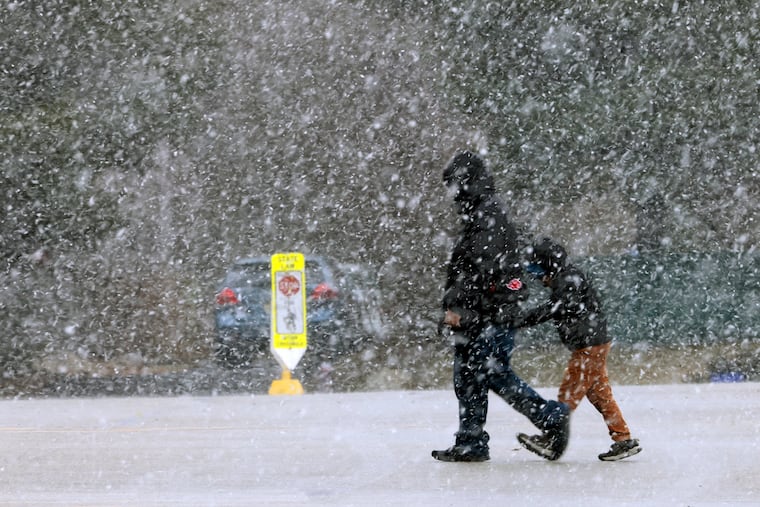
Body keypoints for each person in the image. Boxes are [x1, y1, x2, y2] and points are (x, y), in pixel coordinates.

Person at [432, 151, 570, 463]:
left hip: (487, 317)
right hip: (481, 317)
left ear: (467, 183)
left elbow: (486, 275)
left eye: (454, 184)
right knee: (469, 377)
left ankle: (549, 417)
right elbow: (477, 274)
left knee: (491, 374)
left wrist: (463, 311)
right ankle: (470, 441)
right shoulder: (481, 216)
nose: (451, 193)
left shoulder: (486, 220)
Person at [515, 237, 642, 461]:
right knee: (599, 394)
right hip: (593, 341)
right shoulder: (565, 277)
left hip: (589, 344)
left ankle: (552, 440)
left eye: (536, 270)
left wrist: (522, 319)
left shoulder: (567, 279)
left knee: (568, 395)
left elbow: (560, 307)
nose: (536, 277)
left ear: (546, 265)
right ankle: (623, 439)